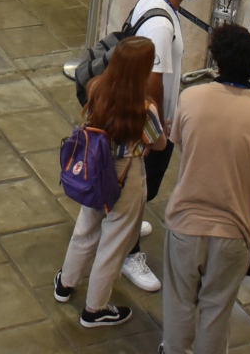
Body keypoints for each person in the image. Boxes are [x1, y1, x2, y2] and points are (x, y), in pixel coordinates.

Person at [161, 24, 250, 354]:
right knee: (216, 312)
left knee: (179, 303)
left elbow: (184, 149)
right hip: (233, 230)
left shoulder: (191, 98)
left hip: (186, 222)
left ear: (217, 61)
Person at [54, 36, 166, 328]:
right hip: (128, 176)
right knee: (114, 243)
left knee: (86, 228)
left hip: (96, 167)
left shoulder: (97, 89)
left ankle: (66, 283)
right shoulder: (145, 108)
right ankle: (95, 308)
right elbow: (160, 143)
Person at [119, 0, 207, 292]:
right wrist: (158, 131)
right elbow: (153, 79)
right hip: (149, 126)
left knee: (138, 188)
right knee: (140, 189)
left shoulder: (156, 2)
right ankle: (128, 252)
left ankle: (124, 220)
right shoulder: (160, 23)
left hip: (145, 119)